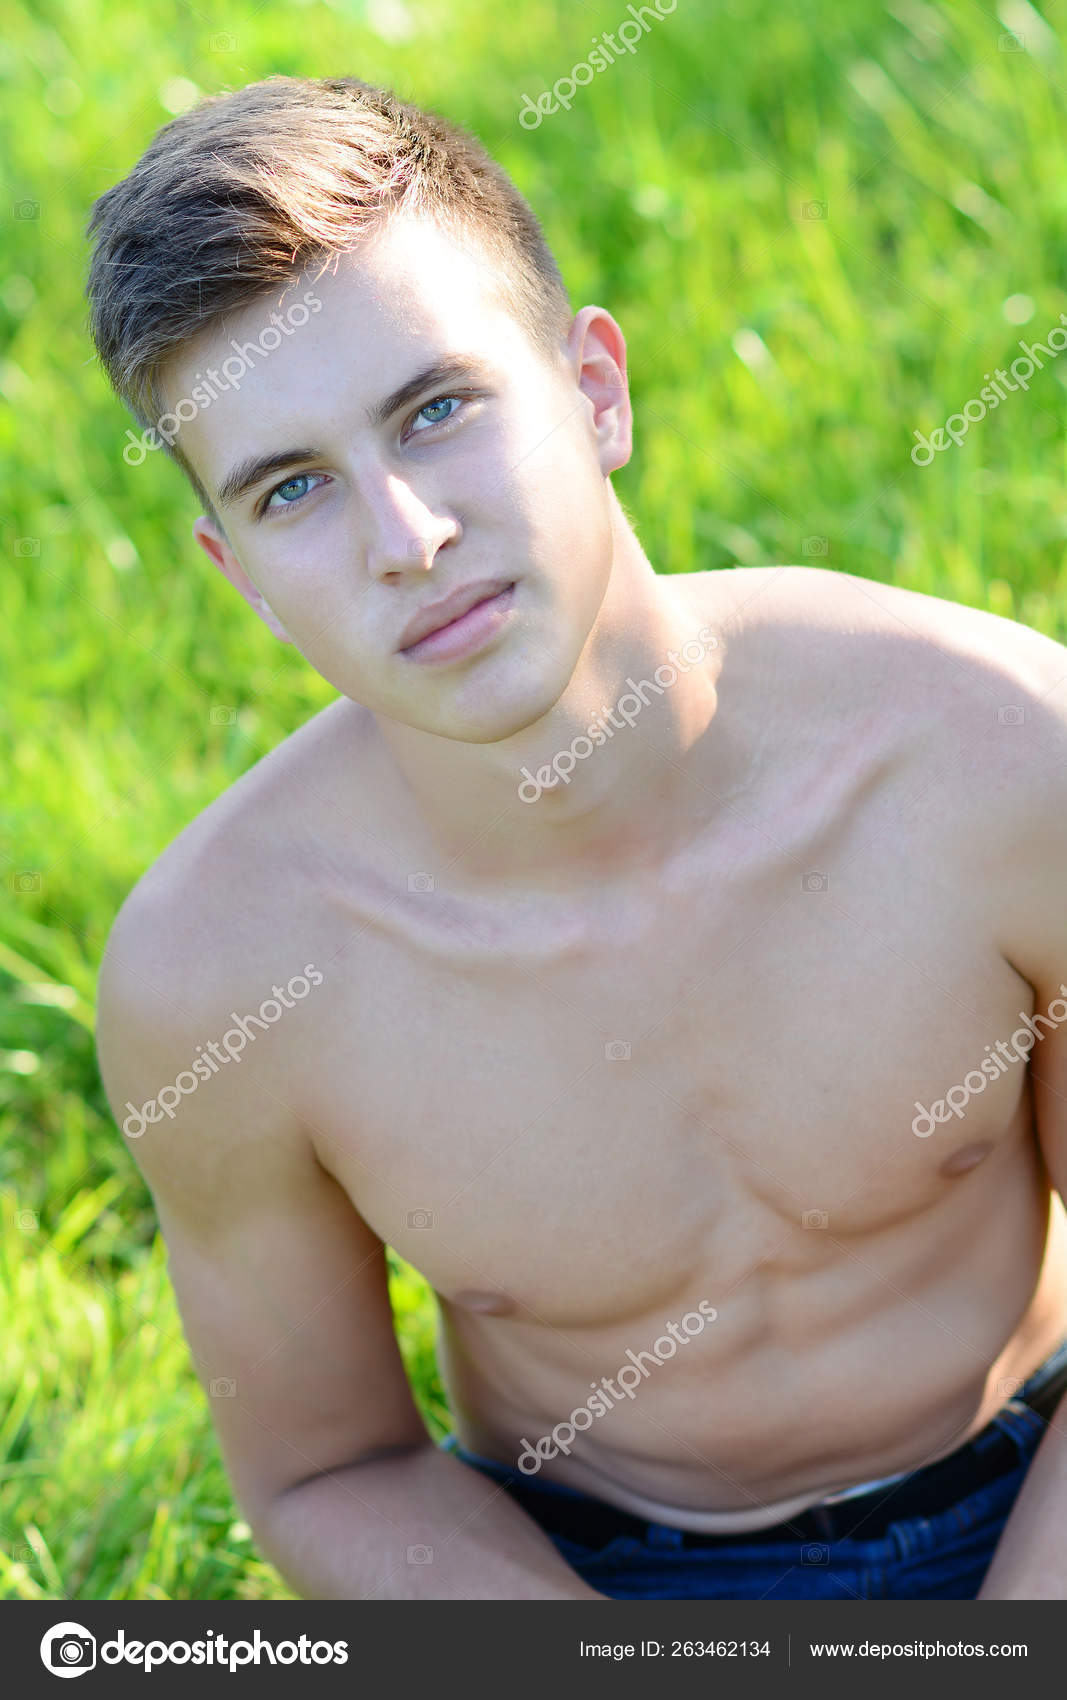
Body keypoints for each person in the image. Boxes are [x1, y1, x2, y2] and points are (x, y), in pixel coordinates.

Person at [89, 74, 1067, 1601]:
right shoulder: (220, 977)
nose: (409, 539)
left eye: (437, 411)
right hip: (589, 1585)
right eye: (294, 489)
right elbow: (329, 1468)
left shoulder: (995, 753)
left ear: (594, 390)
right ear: (243, 576)